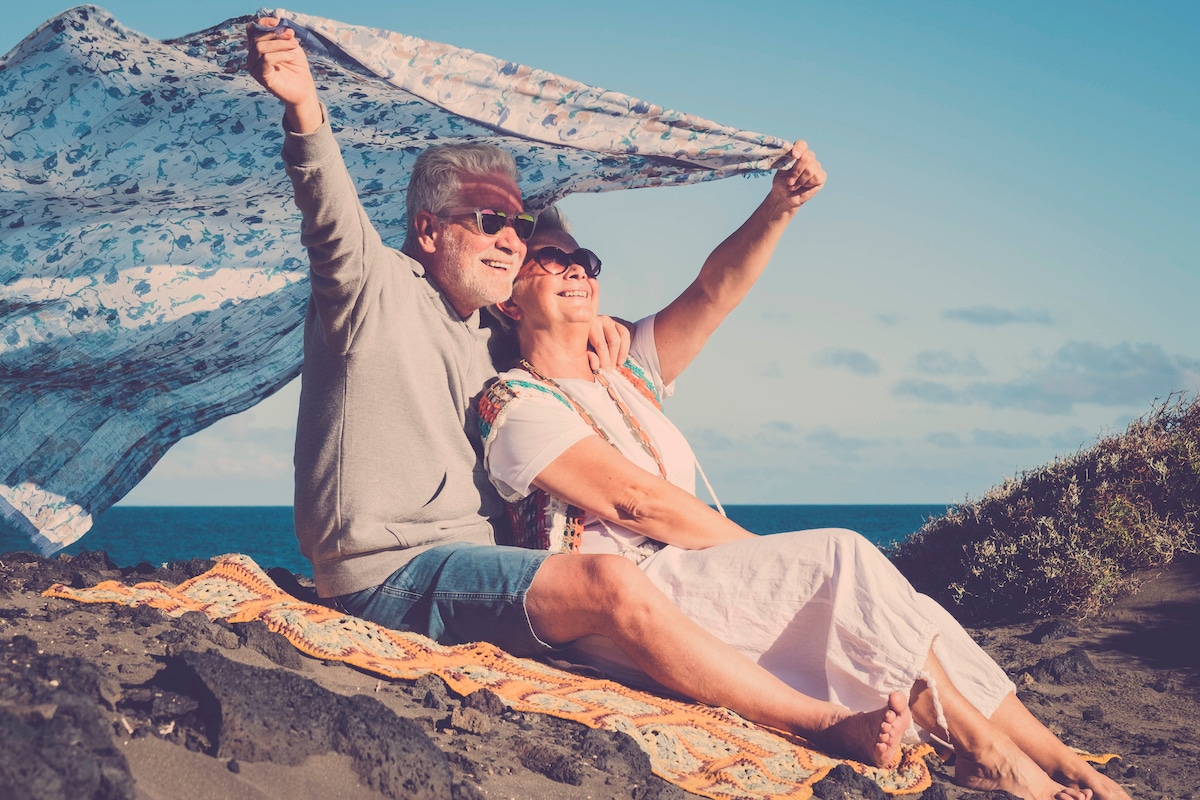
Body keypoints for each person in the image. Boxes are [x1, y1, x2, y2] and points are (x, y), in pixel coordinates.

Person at [244, 15, 924, 772]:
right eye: (489, 221)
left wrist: (601, 322)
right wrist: (304, 108)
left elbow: (681, 303)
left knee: (643, 610)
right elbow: (327, 214)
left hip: (476, 570)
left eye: (520, 226)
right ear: (429, 231)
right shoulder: (370, 289)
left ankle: (939, 721)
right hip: (388, 578)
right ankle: (823, 724)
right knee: (610, 580)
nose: (511, 238)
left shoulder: (490, 337)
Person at [477, 206, 1133, 797]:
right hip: (629, 603)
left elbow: (714, 292)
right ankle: (985, 747)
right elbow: (634, 501)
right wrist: (774, 556)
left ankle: (1061, 760)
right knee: (843, 556)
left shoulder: (625, 373)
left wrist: (783, 201)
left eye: (583, 261)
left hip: (689, 577)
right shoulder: (515, 401)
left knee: (912, 609)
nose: (575, 269)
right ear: (510, 299)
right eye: (550, 260)